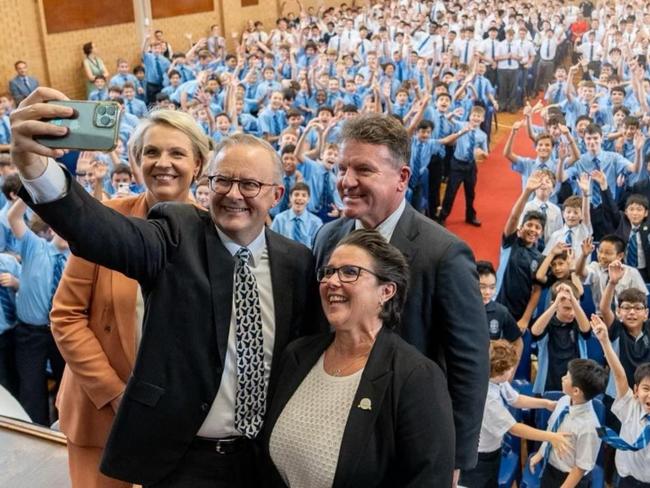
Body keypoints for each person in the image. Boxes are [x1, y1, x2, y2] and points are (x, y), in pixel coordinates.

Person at [10, 87, 321, 487]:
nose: (233, 194)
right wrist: (35, 168)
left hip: (261, 458)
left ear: (276, 195)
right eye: (223, 181)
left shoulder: (296, 260)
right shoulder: (176, 233)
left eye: (250, 185)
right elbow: (96, 229)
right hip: (182, 453)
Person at [312, 113, 489, 479]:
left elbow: (469, 361)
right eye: (341, 168)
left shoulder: (443, 253)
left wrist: (454, 459)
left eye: (363, 170)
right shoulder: (327, 237)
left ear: (402, 178)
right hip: (328, 422)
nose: (346, 181)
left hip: (405, 434)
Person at [49, 109, 208, 488]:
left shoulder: (214, 234)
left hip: (181, 421)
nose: (163, 163)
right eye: (151, 152)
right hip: (101, 411)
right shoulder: (104, 220)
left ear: (199, 164)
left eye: (177, 153)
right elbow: (66, 316)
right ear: (135, 163)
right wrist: (115, 394)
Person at [265, 229, 455, 487]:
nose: (332, 281)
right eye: (329, 272)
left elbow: (428, 479)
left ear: (386, 291)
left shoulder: (416, 377)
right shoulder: (297, 355)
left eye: (349, 272)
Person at [459, 340, 571, 488]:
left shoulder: (497, 380)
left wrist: (545, 403)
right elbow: (514, 428)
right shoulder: (486, 397)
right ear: (499, 371)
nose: (513, 371)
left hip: (493, 448)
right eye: (511, 369)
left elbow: (516, 399)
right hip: (478, 456)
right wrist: (551, 437)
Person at [591, 315, 650, 487]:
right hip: (627, 480)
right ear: (636, 391)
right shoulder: (630, 406)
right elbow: (619, 374)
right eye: (646, 389)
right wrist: (605, 342)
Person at [528, 358, 607, 487]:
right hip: (550, 468)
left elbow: (580, 468)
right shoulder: (564, 400)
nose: (562, 378)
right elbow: (551, 429)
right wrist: (540, 454)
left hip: (571, 479)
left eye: (567, 377)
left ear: (576, 391)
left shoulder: (590, 428)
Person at [270, 182, 322, 249]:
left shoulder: (316, 222)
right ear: (290, 197)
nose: (300, 198)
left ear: (308, 199)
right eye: (296, 195)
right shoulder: (279, 219)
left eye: (304, 195)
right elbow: (272, 243)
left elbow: (317, 247)